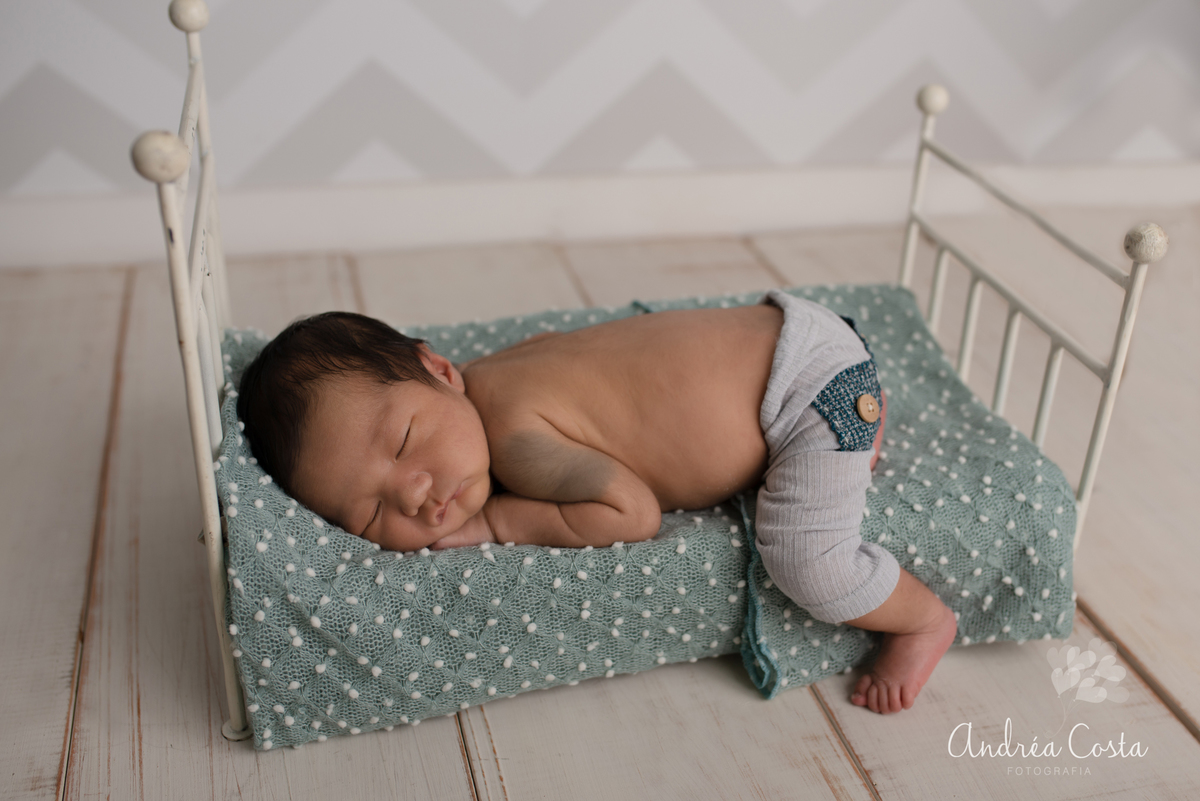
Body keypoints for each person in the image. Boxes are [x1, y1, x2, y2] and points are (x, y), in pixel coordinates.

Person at [237, 291, 957, 714]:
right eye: (370, 514)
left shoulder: (516, 438)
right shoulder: (498, 374)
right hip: (794, 330)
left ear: (439, 368)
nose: (417, 494)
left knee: (807, 560)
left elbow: (631, 511)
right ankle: (860, 424)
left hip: (804, 393)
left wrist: (498, 521)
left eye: (404, 442)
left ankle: (924, 619)